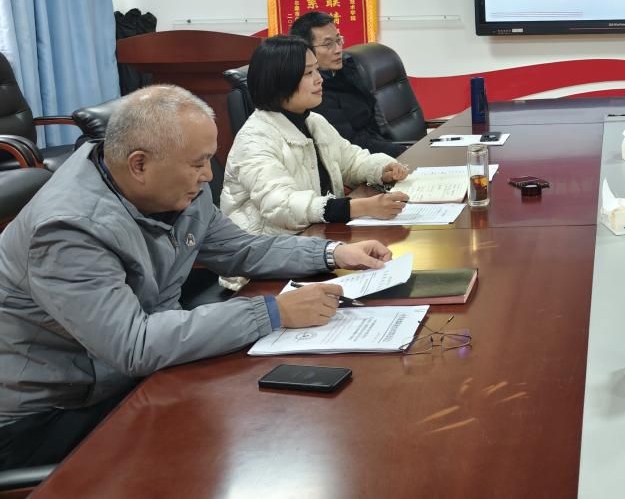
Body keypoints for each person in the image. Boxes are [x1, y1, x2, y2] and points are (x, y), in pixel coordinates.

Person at [0, 85, 393, 469]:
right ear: (139, 164)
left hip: (138, 376)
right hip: (52, 415)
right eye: (197, 163)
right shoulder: (68, 229)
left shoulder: (173, 187)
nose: (207, 175)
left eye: (208, 160)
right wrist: (273, 312)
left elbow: (240, 250)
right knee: (241, 447)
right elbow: (133, 345)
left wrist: (331, 253)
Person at [222, 35, 413, 235]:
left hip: (317, 234)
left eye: (316, 70)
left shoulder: (313, 121)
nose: (319, 79)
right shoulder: (254, 139)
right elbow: (281, 205)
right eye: (308, 73)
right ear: (280, 81)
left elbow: (350, 161)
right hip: (267, 244)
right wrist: (360, 207)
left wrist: (382, 169)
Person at [291, 11, 418, 157]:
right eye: (328, 44)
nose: (338, 50)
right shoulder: (314, 92)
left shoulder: (347, 69)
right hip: (360, 158)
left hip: (380, 149)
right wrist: (402, 152)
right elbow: (348, 144)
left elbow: (372, 122)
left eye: (338, 40)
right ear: (306, 50)